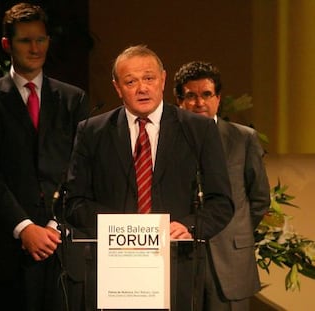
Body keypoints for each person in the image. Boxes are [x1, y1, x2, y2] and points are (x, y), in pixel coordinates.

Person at [65, 45, 234, 311]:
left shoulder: (197, 129)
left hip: (176, 267)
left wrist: (188, 226)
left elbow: (221, 202)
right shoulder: (92, 132)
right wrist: (121, 230)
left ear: (163, 80)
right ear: (118, 88)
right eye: (131, 81)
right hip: (113, 271)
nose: (142, 88)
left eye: (149, 78)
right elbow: (74, 203)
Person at [0, 3, 89, 310]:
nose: (35, 48)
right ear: (7, 44)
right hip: (11, 251)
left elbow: (81, 170)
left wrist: (53, 225)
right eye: (25, 40)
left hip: (63, 247)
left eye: (41, 39)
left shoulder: (73, 99)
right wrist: (25, 227)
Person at [173, 61, 271, 311]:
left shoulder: (243, 138)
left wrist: (235, 232)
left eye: (206, 95)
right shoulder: (167, 141)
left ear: (218, 98)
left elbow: (259, 199)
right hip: (180, 260)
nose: (199, 103)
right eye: (191, 96)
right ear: (179, 101)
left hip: (231, 260)